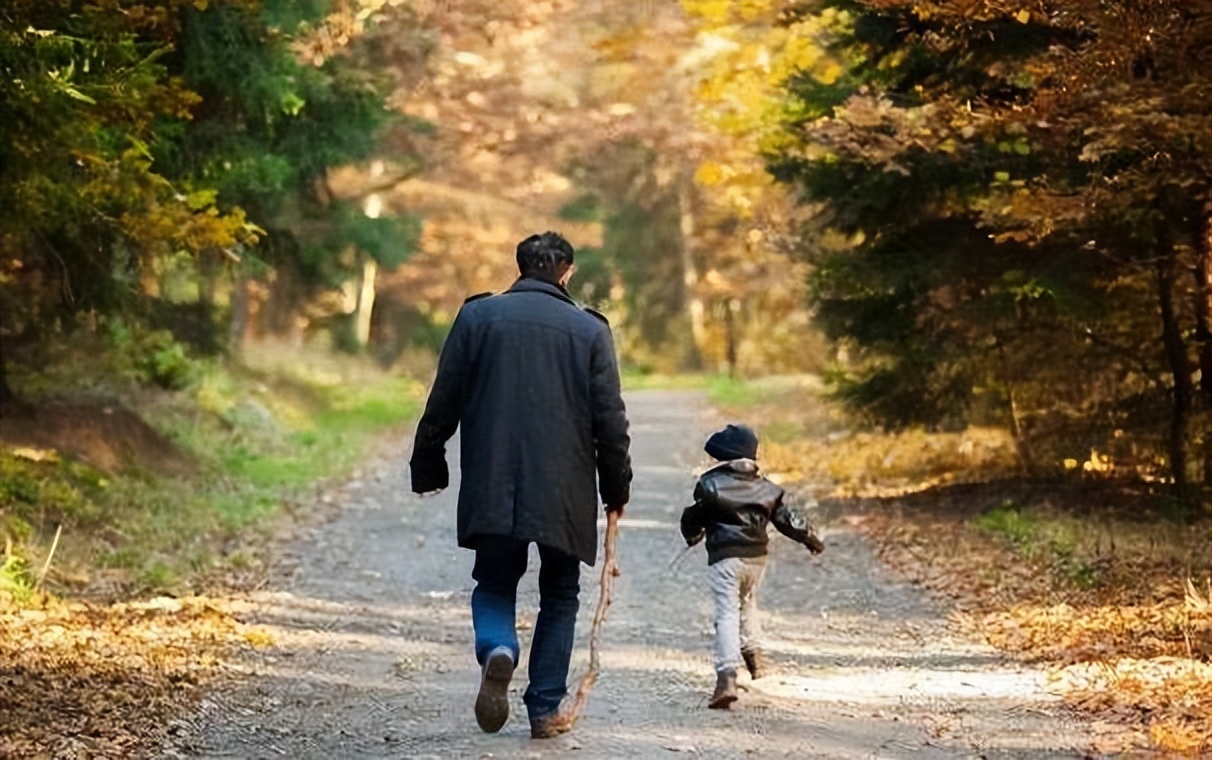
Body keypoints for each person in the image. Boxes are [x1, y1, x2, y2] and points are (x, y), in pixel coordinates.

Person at [409, 231, 632, 739]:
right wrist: (615, 488)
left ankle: (499, 648)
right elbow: (610, 421)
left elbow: (444, 398)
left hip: (493, 480)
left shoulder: (477, 317)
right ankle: (545, 708)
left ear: (520, 266)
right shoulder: (589, 329)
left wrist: (428, 465)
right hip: (564, 490)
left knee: (493, 580)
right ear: (567, 272)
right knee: (560, 591)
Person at [679, 423, 824, 709]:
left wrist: (692, 535)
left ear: (725, 458)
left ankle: (726, 677)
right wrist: (810, 538)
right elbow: (787, 521)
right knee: (747, 603)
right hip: (756, 559)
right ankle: (756, 659)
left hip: (725, 558)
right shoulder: (768, 489)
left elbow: (694, 517)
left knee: (727, 612)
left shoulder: (710, 485)